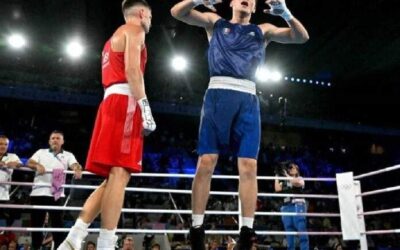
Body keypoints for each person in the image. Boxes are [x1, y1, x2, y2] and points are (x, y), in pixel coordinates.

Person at [170, 0, 308, 249]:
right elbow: (177, 13)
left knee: (248, 166)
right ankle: (197, 228)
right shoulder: (215, 23)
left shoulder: (263, 30)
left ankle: (246, 232)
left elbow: (301, 37)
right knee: (206, 162)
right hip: (217, 94)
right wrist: (198, 0)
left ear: (253, 8)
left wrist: (287, 14)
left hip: (247, 98)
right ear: (231, 2)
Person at [58, 1, 155, 249]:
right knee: (120, 175)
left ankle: (75, 236)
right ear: (142, 13)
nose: (151, 21)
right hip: (126, 101)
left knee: (113, 180)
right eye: (151, 16)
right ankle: (105, 243)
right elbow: (133, 71)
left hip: (110, 101)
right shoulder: (135, 31)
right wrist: (145, 107)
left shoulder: (113, 37)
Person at [26, 130, 82, 250]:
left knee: (58, 225)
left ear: (62, 141)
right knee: (36, 225)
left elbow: (75, 164)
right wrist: (37, 165)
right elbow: (29, 162)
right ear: (49, 141)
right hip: (38, 191)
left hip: (57, 191)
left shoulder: (68, 155)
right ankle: (35, 248)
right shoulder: (41, 152)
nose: (55, 140)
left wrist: (77, 168)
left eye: (58, 138)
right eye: (53, 138)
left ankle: (59, 248)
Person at [274, 162, 309, 250]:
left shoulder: (300, 178)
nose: (290, 169)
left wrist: (286, 175)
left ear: (297, 170)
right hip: (286, 207)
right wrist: (277, 175)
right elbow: (277, 188)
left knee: (301, 230)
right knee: (289, 233)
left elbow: (296, 183)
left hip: (297, 205)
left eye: (292, 168)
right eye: (289, 168)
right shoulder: (285, 180)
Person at [0, 135, 23, 226]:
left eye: (5, 144)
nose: (3, 146)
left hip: (3, 195)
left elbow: (20, 164)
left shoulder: (12, 156)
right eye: (0, 144)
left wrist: (15, 164)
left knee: (2, 223)